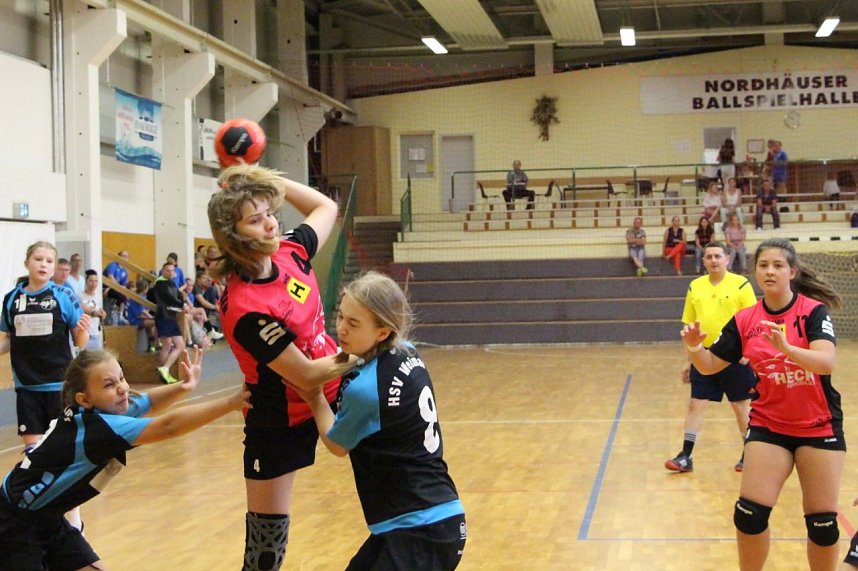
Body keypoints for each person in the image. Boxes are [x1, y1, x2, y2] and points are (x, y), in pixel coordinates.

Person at [208, 163, 361, 570]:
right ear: (235, 235)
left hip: (338, 389)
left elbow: (326, 207)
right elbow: (307, 375)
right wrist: (367, 351)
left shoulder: (292, 251)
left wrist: (268, 180)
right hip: (279, 419)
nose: (271, 225)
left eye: (270, 213)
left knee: (393, 479)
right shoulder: (245, 308)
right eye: (256, 221)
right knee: (264, 551)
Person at [0, 347, 250, 570]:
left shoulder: (94, 412)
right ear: (83, 399)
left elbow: (147, 401)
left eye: (121, 378)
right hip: (14, 523)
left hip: (45, 514)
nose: (122, 388)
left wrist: (182, 387)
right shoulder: (99, 429)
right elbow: (169, 426)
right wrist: (231, 402)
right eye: (109, 385)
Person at [681, 238, 843, 571]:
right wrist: (695, 348)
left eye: (778, 265)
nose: (770, 271)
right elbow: (710, 365)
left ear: (792, 271)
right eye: (763, 265)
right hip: (770, 425)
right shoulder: (745, 319)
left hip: (818, 426)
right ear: (755, 272)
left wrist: (786, 348)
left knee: (822, 524)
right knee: (749, 515)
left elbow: (826, 362)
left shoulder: (813, 312)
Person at [294, 271, 466, 570]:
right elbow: (359, 359)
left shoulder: (366, 391)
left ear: (383, 332)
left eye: (354, 323)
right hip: (424, 521)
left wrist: (314, 397)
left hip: (420, 529)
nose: (341, 329)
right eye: (341, 317)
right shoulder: (407, 351)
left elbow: (336, 443)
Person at [665, 241, 758, 474]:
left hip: (735, 357)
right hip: (704, 357)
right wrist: (688, 360)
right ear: (704, 260)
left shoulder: (741, 284)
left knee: (740, 406)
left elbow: (753, 322)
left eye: (718, 256)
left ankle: (750, 455)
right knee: (696, 404)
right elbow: (689, 327)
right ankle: (685, 456)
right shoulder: (695, 286)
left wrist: (749, 352)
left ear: (727, 258)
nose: (714, 260)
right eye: (709, 257)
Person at [0, 241, 90, 449]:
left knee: (62, 447)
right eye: (38, 259)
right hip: (27, 385)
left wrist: (83, 329)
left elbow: (80, 341)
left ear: (53, 267)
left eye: (49, 261)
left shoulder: (64, 295)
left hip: (59, 384)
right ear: (27, 263)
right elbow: (8, 341)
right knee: (34, 450)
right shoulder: (12, 299)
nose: (43, 264)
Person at [147, 262, 188, 384]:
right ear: (163, 271)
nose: (170, 272)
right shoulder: (160, 284)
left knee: (180, 345)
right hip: (163, 315)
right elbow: (168, 298)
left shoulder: (171, 283)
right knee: (167, 344)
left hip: (171, 315)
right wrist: (181, 304)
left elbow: (178, 295)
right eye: (167, 270)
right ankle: (164, 370)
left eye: (172, 270)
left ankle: (164, 369)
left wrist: (182, 302)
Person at [78, 269, 108, 351]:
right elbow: (82, 308)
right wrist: (94, 313)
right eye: (91, 281)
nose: (94, 284)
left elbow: (100, 310)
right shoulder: (79, 296)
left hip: (95, 334)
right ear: (86, 281)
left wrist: (103, 314)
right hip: (83, 333)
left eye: (96, 281)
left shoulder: (98, 297)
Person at [103, 250, 130, 325]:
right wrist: (116, 288)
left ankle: (121, 316)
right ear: (119, 257)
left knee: (125, 295)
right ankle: (111, 318)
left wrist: (126, 292)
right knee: (120, 294)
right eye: (123, 256)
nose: (125, 258)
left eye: (126, 257)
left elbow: (124, 285)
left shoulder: (125, 271)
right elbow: (110, 277)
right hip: (105, 288)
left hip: (115, 289)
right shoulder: (113, 265)